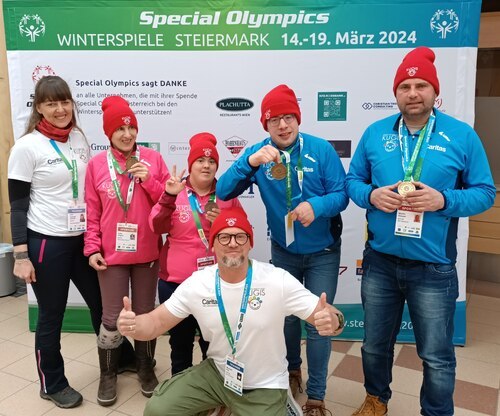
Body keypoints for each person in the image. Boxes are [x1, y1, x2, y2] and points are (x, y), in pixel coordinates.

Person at [346, 47, 496, 416]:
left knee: (436, 355)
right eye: (405, 86)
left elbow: (485, 193)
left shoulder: (461, 136)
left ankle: (436, 412)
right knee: (374, 345)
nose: (413, 93)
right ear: (396, 93)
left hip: (433, 268)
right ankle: (376, 400)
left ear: (434, 92)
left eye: (421, 85)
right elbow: (353, 181)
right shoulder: (375, 133)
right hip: (380, 262)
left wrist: (443, 201)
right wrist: (371, 195)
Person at [117, 207, 345, 416]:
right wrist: (134, 325)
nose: (233, 243)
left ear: (250, 243)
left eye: (240, 236)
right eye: (224, 237)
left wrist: (332, 320)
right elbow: (156, 322)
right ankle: (221, 404)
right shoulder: (198, 283)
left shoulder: (277, 279)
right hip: (217, 374)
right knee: (158, 410)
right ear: (213, 244)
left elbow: (327, 314)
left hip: (264, 384)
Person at [216, 84, 348, 414]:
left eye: (289, 117)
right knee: (287, 319)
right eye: (274, 120)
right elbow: (223, 190)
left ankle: (316, 396)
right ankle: (292, 371)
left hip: (323, 252)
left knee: (319, 322)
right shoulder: (260, 155)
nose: (283, 125)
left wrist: (316, 206)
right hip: (284, 252)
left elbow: (342, 195)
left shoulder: (321, 150)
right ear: (266, 124)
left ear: (298, 119)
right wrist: (248, 161)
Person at [7, 75, 103, 408]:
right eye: (51, 103)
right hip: (47, 242)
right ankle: (52, 383)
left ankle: (119, 357)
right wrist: (21, 254)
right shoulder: (26, 147)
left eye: (64, 101)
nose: (60, 109)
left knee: (103, 306)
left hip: (82, 240)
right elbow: (17, 206)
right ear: (39, 108)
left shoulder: (77, 137)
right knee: (51, 315)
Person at [84, 96, 170, 406]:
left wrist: (150, 182)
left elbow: (166, 204)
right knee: (112, 318)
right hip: (112, 256)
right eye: (120, 128)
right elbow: (91, 211)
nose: (127, 134)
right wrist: (92, 247)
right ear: (109, 133)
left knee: (146, 315)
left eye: (131, 127)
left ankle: (145, 368)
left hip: (147, 253)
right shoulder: (96, 165)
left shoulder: (152, 159)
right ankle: (108, 374)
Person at [149, 132, 241, 376]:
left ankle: (213, 391)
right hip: (176, 282)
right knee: (180, 343)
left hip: (215, 283)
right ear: (191, 164)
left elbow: (243, 235)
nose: (206, 165)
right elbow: (156, 227)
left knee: (212, 345)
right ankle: (181, 394)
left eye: (211, 162)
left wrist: (224, 223)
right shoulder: (175, 190)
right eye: (201, 160)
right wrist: (168, 197)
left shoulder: (225, 194)